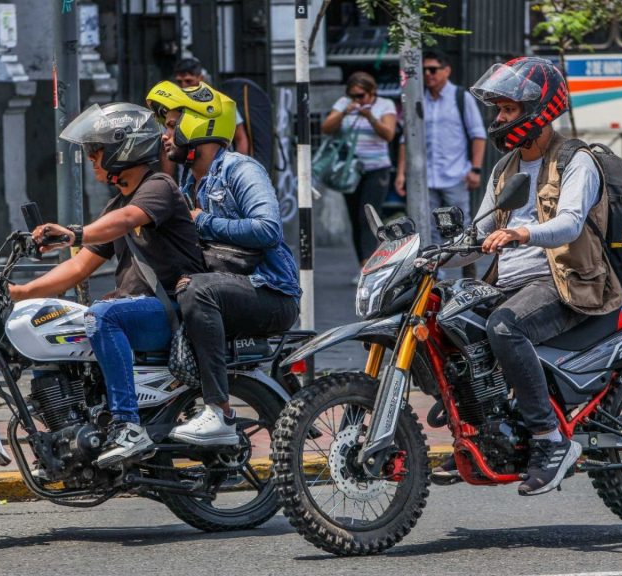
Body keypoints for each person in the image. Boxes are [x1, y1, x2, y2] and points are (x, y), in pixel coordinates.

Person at [437, 57, 622, 495]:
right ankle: (480, 429)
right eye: (497, 110)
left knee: (504, 326)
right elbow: (479, 231)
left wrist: (521, 231)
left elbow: (571, 222)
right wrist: (429, 255)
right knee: (445, 322)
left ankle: (550, 440)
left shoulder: (576, 161)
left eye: (507, 110)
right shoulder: (505, 170)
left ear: (538, 110)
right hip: (511, 282)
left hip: (564, 281)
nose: (498, 119)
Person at [10, 103, 205, 468]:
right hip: (137, 311)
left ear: (123, 149)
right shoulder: (117, 204)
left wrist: (74, 232)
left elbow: (128, 220)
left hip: (170, 311)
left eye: (96, 151)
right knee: (50, 341)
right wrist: (17, 293)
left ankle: (128, 425)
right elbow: (79, 267)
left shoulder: (159, 188)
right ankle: (64, 440)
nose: (91, 160)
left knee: (103, 316)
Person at [146, 80, 301, 445]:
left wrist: (202, 220)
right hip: (229, 288)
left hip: (271, 293)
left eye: (171, 125)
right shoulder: (187, 184)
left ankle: (219, 410)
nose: (165, 136)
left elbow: (268, 229)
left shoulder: (239, 169)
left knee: (198, 291)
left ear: (202, 124)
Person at [395, 50, 487, 245]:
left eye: (433, 69)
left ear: (446, 71)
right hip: (425, 177)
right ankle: (434, 274)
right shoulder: (416, 99)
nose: (428, 74)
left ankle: (467, 270)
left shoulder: (461, 97)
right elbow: (406, 139)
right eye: (424, 70)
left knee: (461, 227)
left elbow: (478, 135)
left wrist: (476, 170)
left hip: (455, 174)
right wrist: (401, 174)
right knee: (427, 229)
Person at [320, 72, 397, 270]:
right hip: (350, 171)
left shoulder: (385, 105)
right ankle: (363, 264)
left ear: (372, 93)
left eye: (361, 96)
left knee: (368, 217)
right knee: (355, 217)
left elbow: (389, 134)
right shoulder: (344, 103)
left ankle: (372, 264)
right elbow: (326, 128)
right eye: (353, 96)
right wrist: (344, 112)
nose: (357, 100)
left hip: (376, 169)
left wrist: (370, 117)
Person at [172, 58, 250, 155]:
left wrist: (239, 166)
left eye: (188, 81)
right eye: (179, 82)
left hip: (221, 166)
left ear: (200, 78)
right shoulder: (174, 108)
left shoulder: (222, 103)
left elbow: (240, 138)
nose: (184, 86)